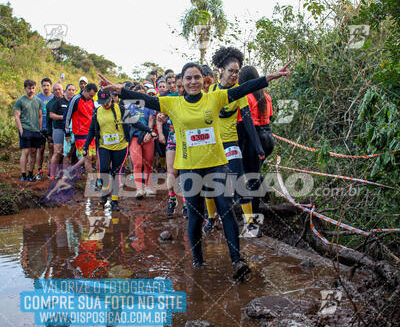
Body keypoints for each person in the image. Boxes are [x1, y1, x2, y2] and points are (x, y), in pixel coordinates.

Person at [98, 59, 290, 280]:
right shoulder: (174, 104)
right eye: (188, 78)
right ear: (182, 81)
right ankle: (198, 262)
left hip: (216, 164)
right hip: (189, 168)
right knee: (196, 217)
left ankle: (237, 260)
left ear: (203, 80)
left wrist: (270, 77)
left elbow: (244, 88)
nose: (193, 82)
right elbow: (146, 100)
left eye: (197, 77)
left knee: (226, 210)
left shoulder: (215, 98)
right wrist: (117, 90)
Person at [204, 46, 265, 238]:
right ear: (221, 70)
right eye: (231, 71)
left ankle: (250, 224)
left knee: (240, 182)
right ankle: (211, 218)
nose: (234, 75)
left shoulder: (240, 93)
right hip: (212, 144)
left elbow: (247, 121)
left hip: (231, 143)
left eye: (237, 71)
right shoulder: (211, 90)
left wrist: (258, 148)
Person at [83, 89, 156, 211]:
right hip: (104, 146)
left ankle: (115, 200)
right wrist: (85, 146)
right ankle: (105, 192)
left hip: (120, 146)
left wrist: (149, 130)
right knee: (104, 169)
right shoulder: (97, 112)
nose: (105, 104)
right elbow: (92, 130)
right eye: (102, 102)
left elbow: (135, 122)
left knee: (117, 172)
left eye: (106, 101)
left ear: (111, 98)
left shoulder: (120, 109)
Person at [237, 65, 275, 215]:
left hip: (254, 138)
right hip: (268, 137)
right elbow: (270, 117)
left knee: (252, 176)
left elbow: (242, 124)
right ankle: (265, 197)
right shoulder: (266, 96)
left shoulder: (245, 97)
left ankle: (253, 215)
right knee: (256, 170)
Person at [156, 72, 187, 217]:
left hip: (189, 139)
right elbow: (161, 114)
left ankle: (187, 203)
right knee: (171, 172)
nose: (180, 89)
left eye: (182, 86)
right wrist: (162, 117)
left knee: (186, 172)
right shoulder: (171, 98)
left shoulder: (194, 97)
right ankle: (172, 198)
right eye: (178, 86)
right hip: (174, 136)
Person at [125, 84, 157, 198]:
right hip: (135, 136)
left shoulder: (149, 106)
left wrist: (149, 132)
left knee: (148, 162)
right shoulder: (129, 107)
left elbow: (151, 119)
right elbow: (127, 123)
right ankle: (139, 189)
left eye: (143, 93)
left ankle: (148, 187)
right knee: (137, 163)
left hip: (147, 137)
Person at [64, 83, 98, 178]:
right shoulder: (75, 99)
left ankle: (71, 170)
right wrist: (67, 132)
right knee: (88, 158)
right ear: (85, 91)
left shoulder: (91, 101)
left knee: (93, 157)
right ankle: (92, 184)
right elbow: (67, 116)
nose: (92, 98)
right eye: (91, 95)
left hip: (91, 134)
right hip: (80, 134)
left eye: (93, 96)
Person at [14, 79, 43, 182]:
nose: (31, 90)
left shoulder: (38, 101)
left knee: (34, 152)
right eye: (29, 88)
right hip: (25, 129)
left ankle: (31, 174)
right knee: (25, 152)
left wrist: (40, 129)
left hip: (35, 130)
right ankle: (23, 175)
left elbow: (40, 116)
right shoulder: (20, 101)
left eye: (33, 88)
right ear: (25, 88)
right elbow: (17, 116)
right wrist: (20, 129)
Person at [49, 83, 75, 178]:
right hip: (59, 129)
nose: (71, 91)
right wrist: (63, 117)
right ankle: (52, 174)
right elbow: (51, 115)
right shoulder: (59, 102)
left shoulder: (75, 102)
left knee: (67, 152)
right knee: (57, 152)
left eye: (73, 90)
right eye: (69, 89)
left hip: (71, 131)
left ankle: (65, 174)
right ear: (65, 91)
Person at [36, 77, 54, 179]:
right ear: (41, 86)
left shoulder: (53, 97)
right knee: (40, 150)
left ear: (50, 86)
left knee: (51, 149)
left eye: (47, 85)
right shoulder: (37, 98)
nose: (46, 87)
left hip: (51, 128)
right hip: (40, 128)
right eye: (44, 85)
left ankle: (50, 170)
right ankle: (39, 170)